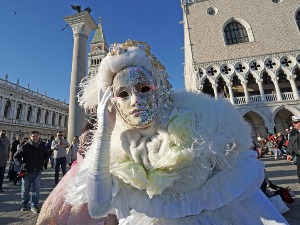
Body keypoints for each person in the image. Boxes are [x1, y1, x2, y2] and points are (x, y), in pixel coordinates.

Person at [37, 40, 288, 224]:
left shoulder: (205, 123)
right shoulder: (115, 147)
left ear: (157, 89)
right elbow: (99, 205)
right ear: (112, 102)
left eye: (143, 88)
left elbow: (243, 195)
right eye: (123, 94)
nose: (134, 99)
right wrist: (103, 131)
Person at [13, 131, 49, 213]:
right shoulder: (26, 146)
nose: (35, 138)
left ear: (39, 136)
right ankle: (24, 204)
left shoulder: (42, 145)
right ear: (30, 137)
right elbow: (16, 156)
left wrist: (44, 162)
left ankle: (34, 206)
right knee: (25, 190)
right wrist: (21, 165)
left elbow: (47, 154)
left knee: (36, 190)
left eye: (36, 136)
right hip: (27, 172)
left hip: (38, 171)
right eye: (33, 136)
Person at [286, 115, 300, 183]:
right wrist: (289, 153)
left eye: (296, 122)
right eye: (293, 123)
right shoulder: (294, 132)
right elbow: (291, 143)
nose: (294, 124)